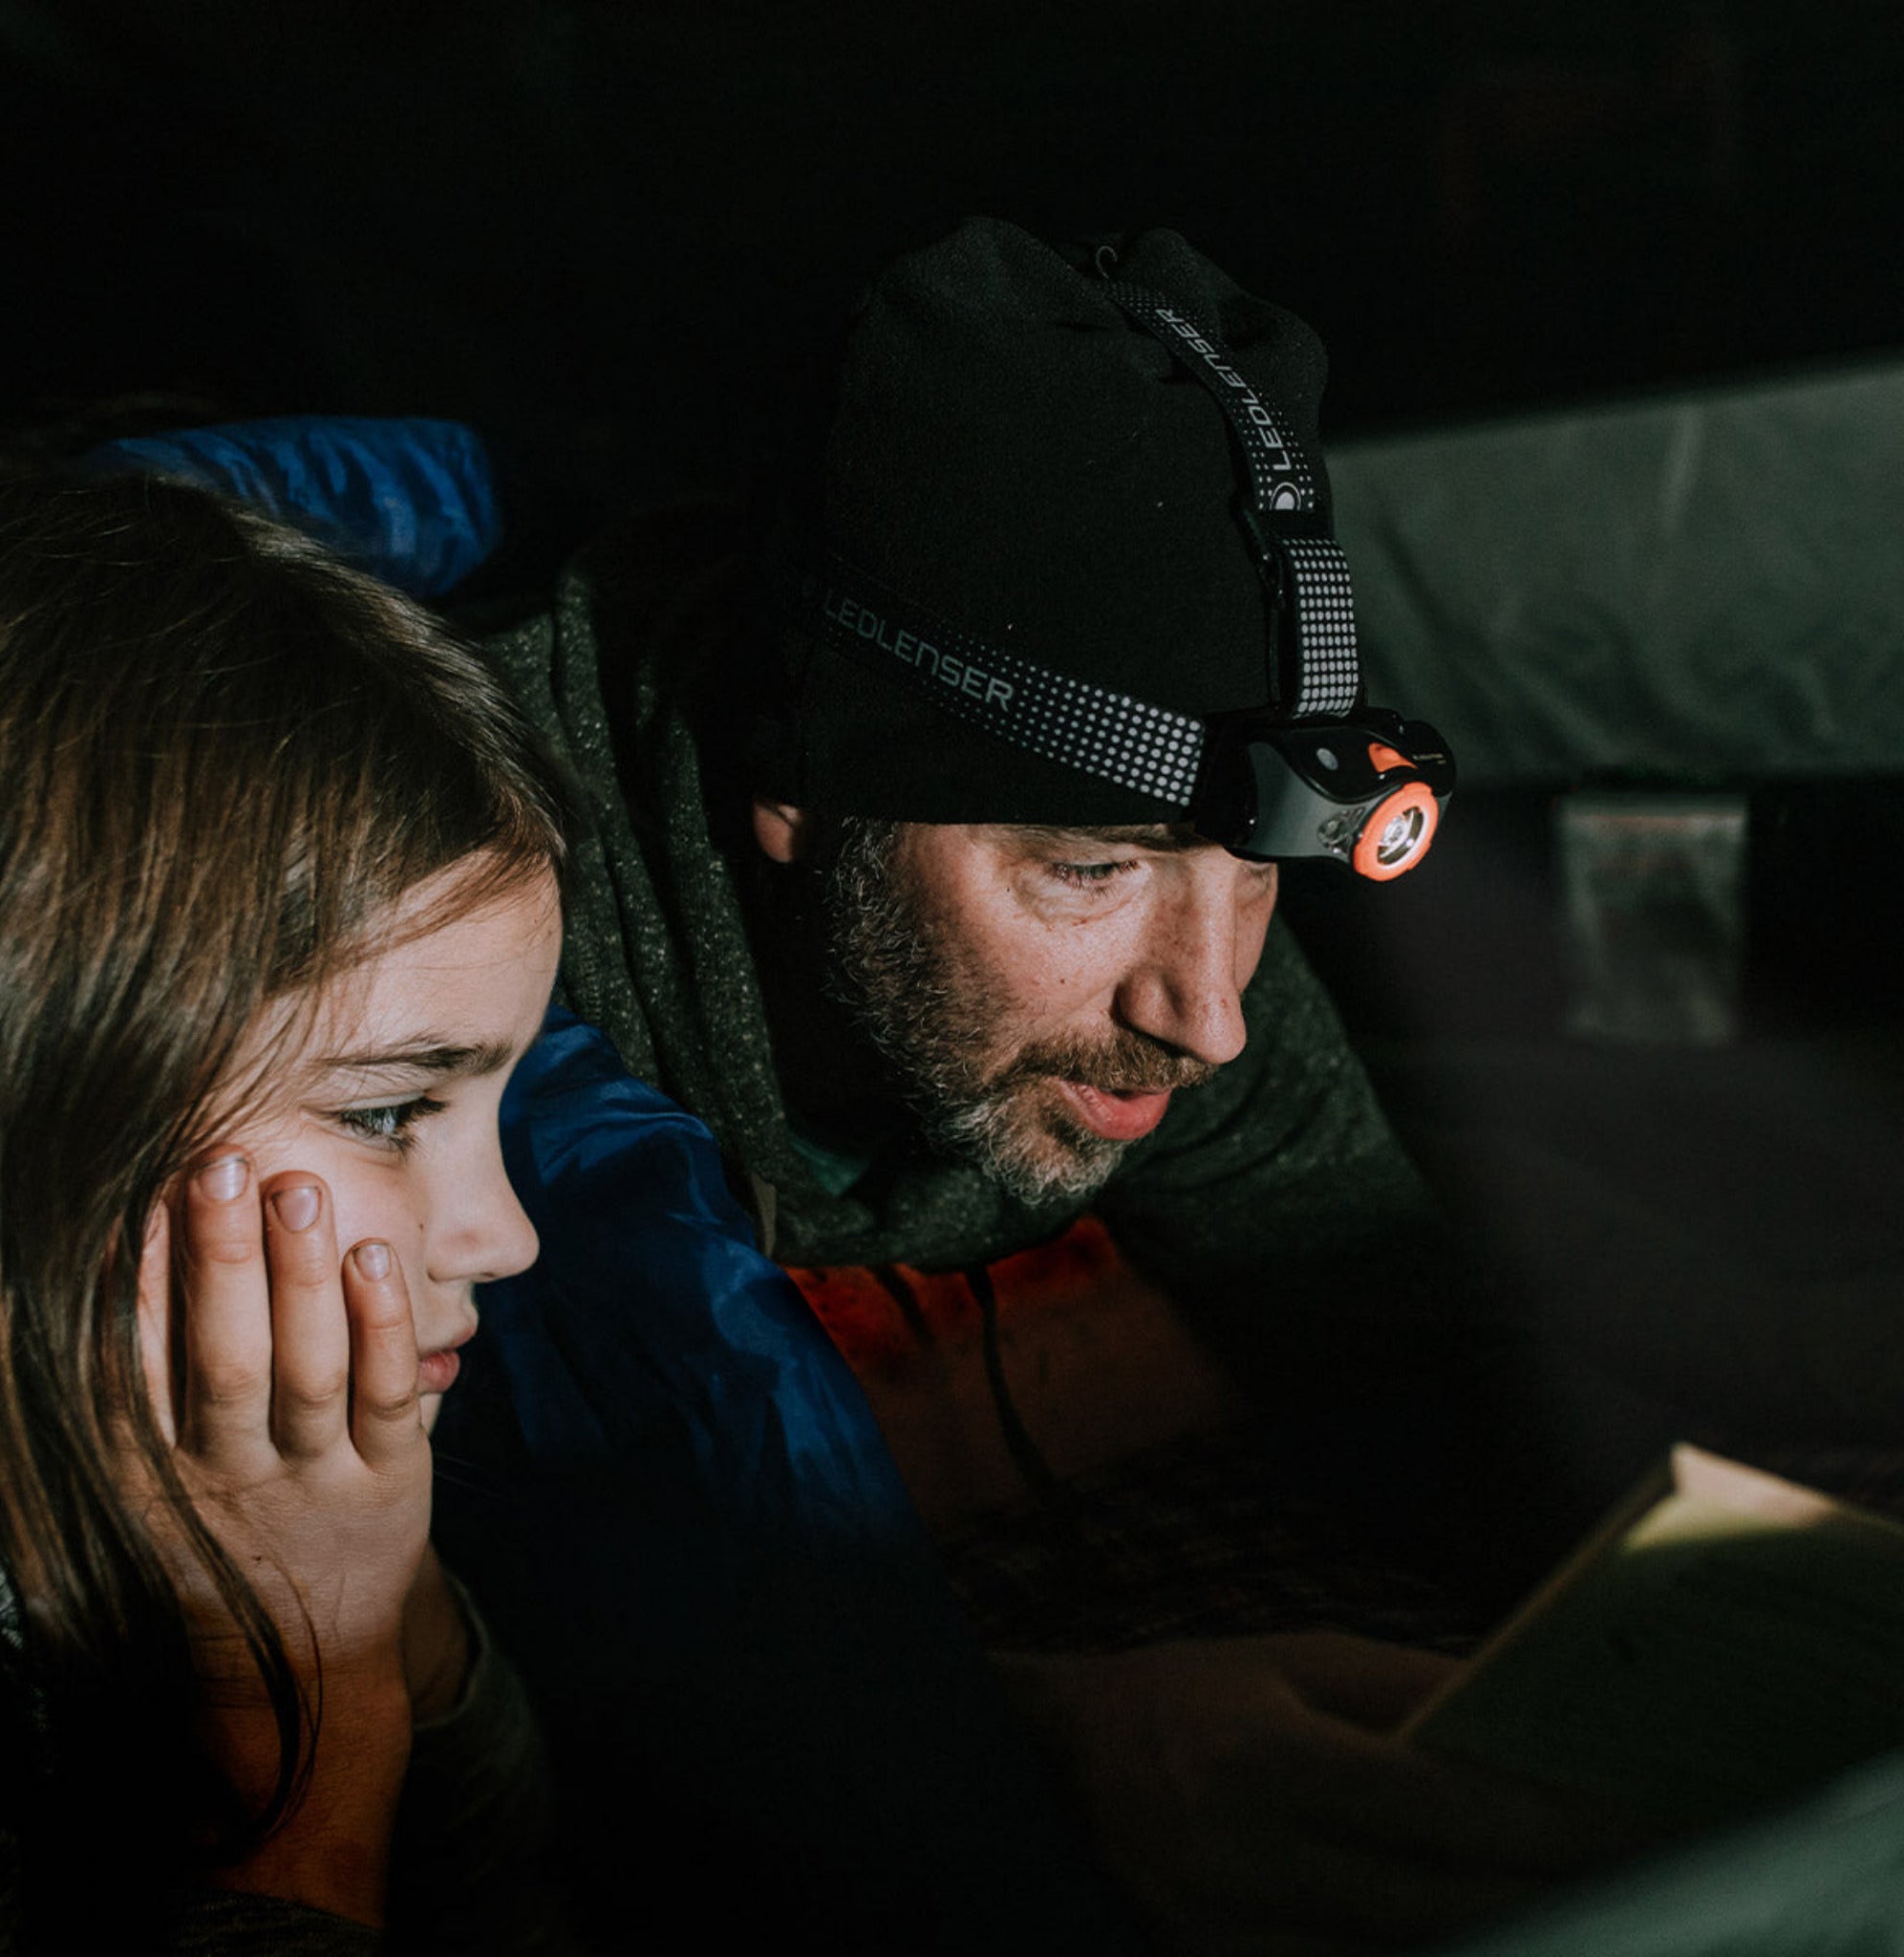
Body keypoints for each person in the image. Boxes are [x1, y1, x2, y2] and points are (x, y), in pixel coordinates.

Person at [479, 218, 1629, 1949]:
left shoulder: (1171, 966)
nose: (1210, 1012)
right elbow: (413, 1629)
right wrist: (1030, 1745)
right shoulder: (450, 944)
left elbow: (1395, 1333)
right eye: (1095, 871)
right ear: (798, 778)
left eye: (1258, 879)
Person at [0, 469, 578, 1950]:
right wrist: (303, 1712)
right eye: (386, 1110)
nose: (502, 1235)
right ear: (30, 1090)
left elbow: (512, 1880)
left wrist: (383, 1602)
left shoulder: (231, 1468)